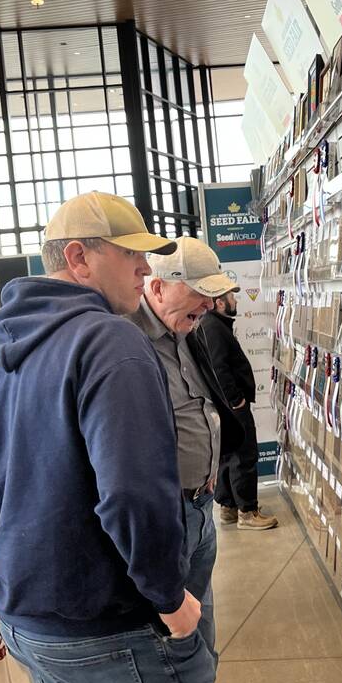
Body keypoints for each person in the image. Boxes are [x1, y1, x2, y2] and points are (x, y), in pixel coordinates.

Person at [0, 191, 227, 683]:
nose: (143, 267)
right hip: (109, 628)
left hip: (28, 623)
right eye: (129, 254)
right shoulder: (111, 341)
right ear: (79, 258)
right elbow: (134, 495)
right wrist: (169, 597)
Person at [126, 237, 240, 656]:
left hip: (201, 504)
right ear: (158, 287)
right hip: (167, 513)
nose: (210, 305)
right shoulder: (126, 343)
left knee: (202, 623)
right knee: (176, 637)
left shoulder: (186, 329)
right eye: (201, 293)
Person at [193, 289, 278, 531]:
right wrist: (235, 400)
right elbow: (219, 367)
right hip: (233, 407)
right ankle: (248, 512)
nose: (236, 300)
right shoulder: (213, 326)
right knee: (244, 455)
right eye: (232, 297)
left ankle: (229, 507)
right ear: (220, 302)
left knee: (230, 456)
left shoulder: (215, 323)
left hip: (228, 405)